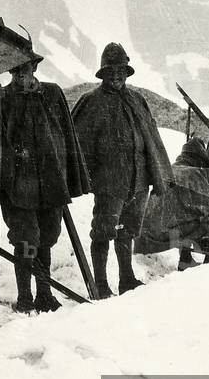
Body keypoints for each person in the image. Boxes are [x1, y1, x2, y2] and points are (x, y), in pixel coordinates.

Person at [0, 51, 90, 312]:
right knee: (26, 239)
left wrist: (69, 174)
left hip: (50, 181)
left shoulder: (53, 93)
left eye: (26, 68)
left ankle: (44, 294)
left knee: (47, 237)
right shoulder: (2, 97)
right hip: (16, 183)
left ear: (34, 68)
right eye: (16, 70)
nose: (21, 74)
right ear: (10, 72)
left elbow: (67, 134)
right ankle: (25, 297)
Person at [72, 42, 173, 297]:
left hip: (138, 179)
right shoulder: (92, 102)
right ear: (103, 73)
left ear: (126, 73)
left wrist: (157, 173)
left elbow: (151, 137)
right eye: (111, 71)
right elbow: (79, 146)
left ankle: (126, 279)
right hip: (110, 181)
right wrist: (94, 179)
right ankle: (101, 285)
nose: (116, 76)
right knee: (104, 230)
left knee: (127, 230)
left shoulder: (137, 100)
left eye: (121, 71)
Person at [134, 136, 209, 270]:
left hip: (146, 235)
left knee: (187, 216)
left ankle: (186, 259)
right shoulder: (193, 173)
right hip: (168, 234)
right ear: (198, 158)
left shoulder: (168, 170)